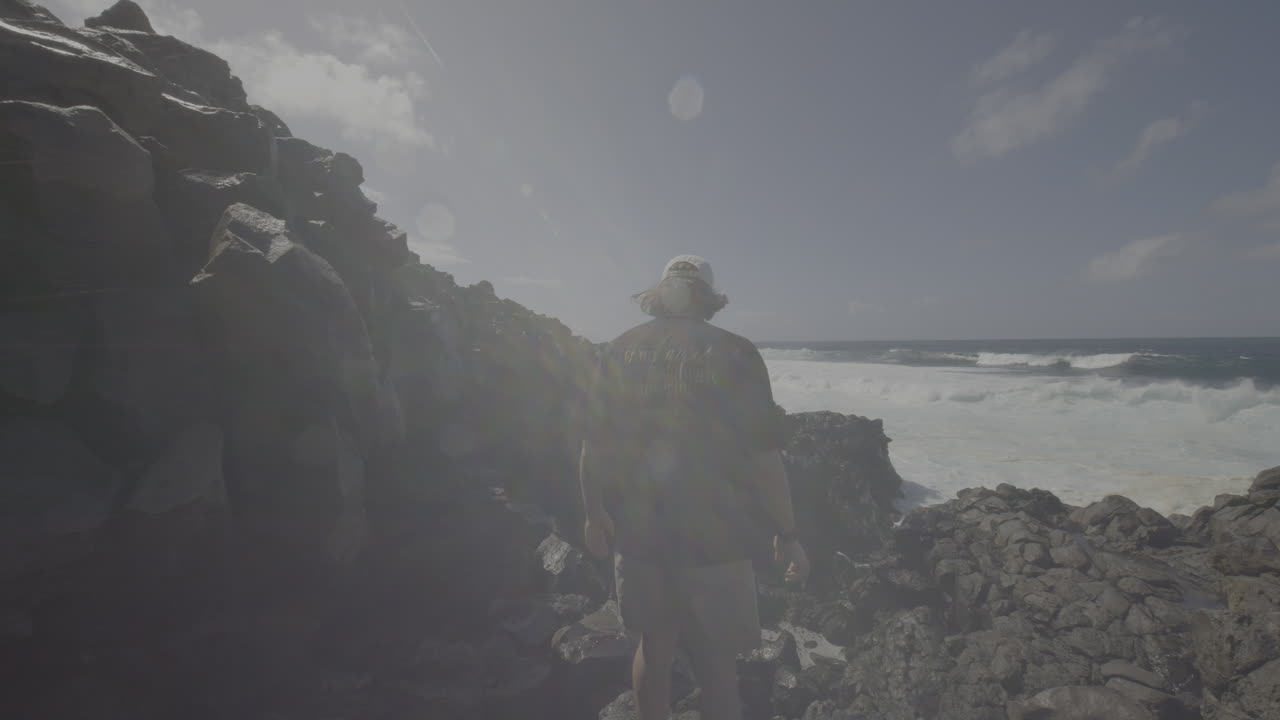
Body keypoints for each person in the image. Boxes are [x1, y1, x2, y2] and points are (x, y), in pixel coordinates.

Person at [578, 254, 810, 720]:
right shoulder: (737, 352)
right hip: (718, 534)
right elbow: (764, 456)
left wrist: (593, 511)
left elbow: (594, 443)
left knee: (654, 649)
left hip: (641, 529)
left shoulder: (619, 349)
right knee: (719, 665)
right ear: (707, 296)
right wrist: (787, 533)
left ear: (662, 292)